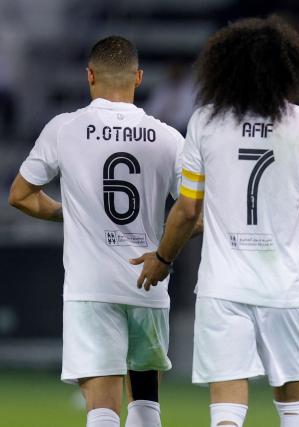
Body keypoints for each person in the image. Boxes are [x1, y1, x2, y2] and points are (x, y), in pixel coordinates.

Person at [131, 16, 299, 427]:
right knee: (295, 410)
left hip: (223, 288)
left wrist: (163, 259)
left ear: (225, 67)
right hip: (284, 288)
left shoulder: (205, 121)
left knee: (227, 410)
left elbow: (187, 210)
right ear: (290, 68)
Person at [8, 36, 189, 427]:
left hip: (91, 288)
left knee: (102, 408)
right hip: (148, 282)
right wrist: (163, 257)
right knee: (146, 402)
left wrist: (68, 213)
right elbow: (196, 213)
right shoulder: (169, 137)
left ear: (89, 75)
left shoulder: (65, 128)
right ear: (139, 77)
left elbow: (20, 195)